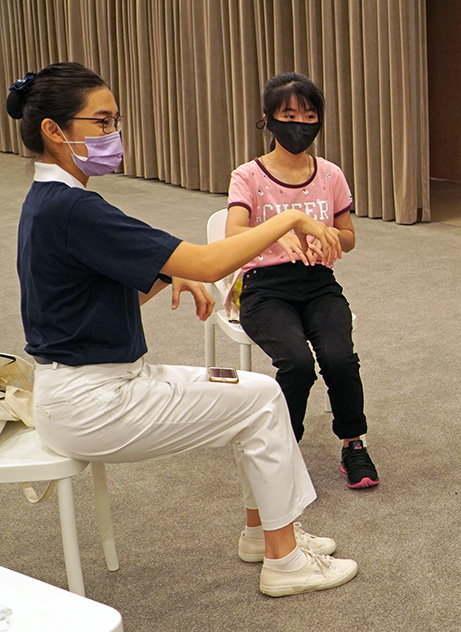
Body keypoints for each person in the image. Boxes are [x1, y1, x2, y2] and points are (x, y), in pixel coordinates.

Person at [8, 62, 359, 597]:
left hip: (91, 386)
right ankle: (284, 561)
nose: (113, 135)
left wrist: (165, 276)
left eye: (115, 121)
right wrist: (285, 220)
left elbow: (85, 294)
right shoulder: (75, 209)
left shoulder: (50, 204)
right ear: (55, 130)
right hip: (95, 399)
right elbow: (209, 261)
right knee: (263, 398)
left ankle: (264, 535)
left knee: (254, 395)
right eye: (101, 123)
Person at [225, 72, 378, 489]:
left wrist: (328, 240)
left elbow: (348, 237)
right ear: (268, 119)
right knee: (296, 364)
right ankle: (284, 449)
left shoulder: (330, 174)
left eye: (309, 115)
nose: (300, 124)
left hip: (318, 284)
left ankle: (354, 444)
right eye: (288, 114)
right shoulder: (249, 176)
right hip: (264, 286)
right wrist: (279, 229)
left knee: (340, 359)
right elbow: (233, 235)